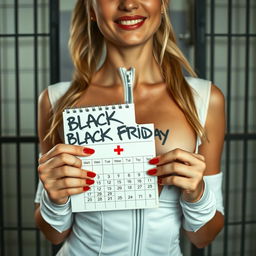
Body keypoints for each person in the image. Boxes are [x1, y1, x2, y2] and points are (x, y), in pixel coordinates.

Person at [34, 0, 225, 255]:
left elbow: (204, 237)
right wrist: (54, 200)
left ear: (164, 3)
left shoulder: (204, 99)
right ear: (91, 9)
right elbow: (53, 233)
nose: (129, 4)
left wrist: (197, 195)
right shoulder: (55, 101)